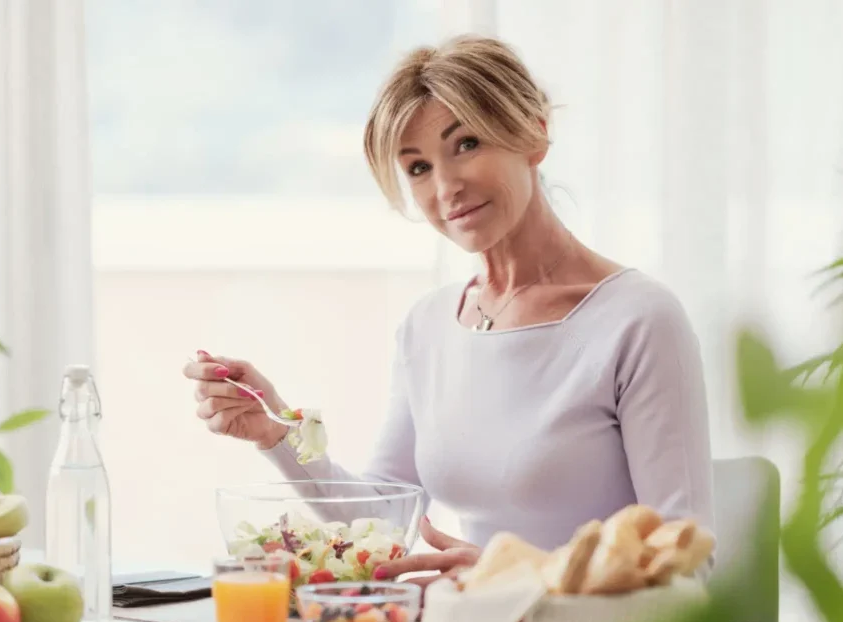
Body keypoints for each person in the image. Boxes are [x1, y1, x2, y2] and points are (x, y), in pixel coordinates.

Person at [184, 35, 716, 588]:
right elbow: (383, 518)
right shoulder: (428, 326)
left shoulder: (639, 320)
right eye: (417, 168)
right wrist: (276, 432)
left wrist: (511, 576)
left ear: (535, 132)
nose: (446, 188)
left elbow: (687, 567)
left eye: (465, 144)